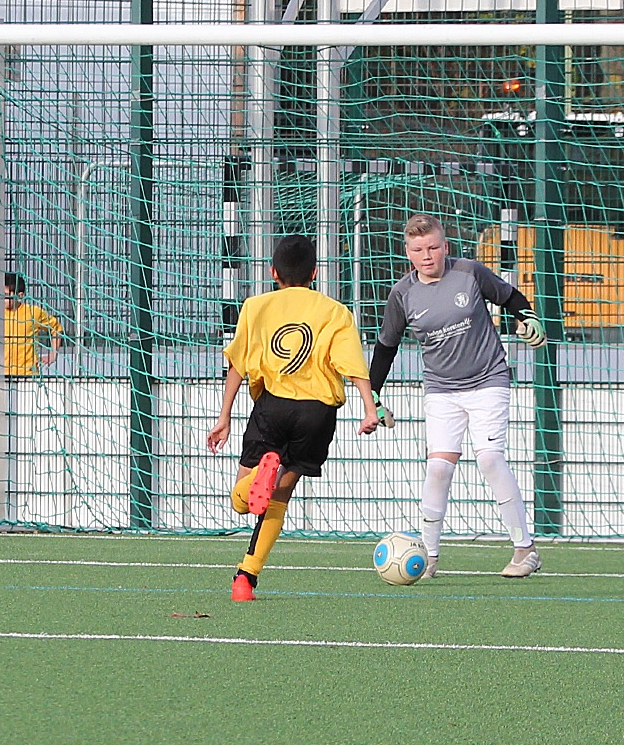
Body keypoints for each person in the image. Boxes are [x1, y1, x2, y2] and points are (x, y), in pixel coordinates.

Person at [368, 214, 547, 578]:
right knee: (438, 468)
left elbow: (510, 296)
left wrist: (528, 318)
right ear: (408, 253)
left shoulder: (469, 272)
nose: (427, 255)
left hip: (488, 380)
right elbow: (386, 347)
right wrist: (373, 397)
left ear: (445, 247)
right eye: (419, 249)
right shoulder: (402, 294)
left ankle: (525, 550)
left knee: (490, 459)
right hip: (442, 390)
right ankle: (429, 557)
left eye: (433, 247)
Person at [206, 235, 380, 601]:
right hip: (317, 413)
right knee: (279, 495)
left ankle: (256, 480)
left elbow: (238, 363)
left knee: (241, 501)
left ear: (273, 272)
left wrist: (224, 416)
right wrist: (369, 408)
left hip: (273, 406)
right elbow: (352, 364)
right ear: (315, 273)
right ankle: (245, 579)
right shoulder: (335, 311)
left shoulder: (255, 307)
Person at [0, 272, 62, 375]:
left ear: (20, 295)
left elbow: (56, 328)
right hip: (0, 376)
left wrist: (53, 354)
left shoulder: (33, 313)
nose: (1, 298)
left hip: (28, 376)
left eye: (5, 295)